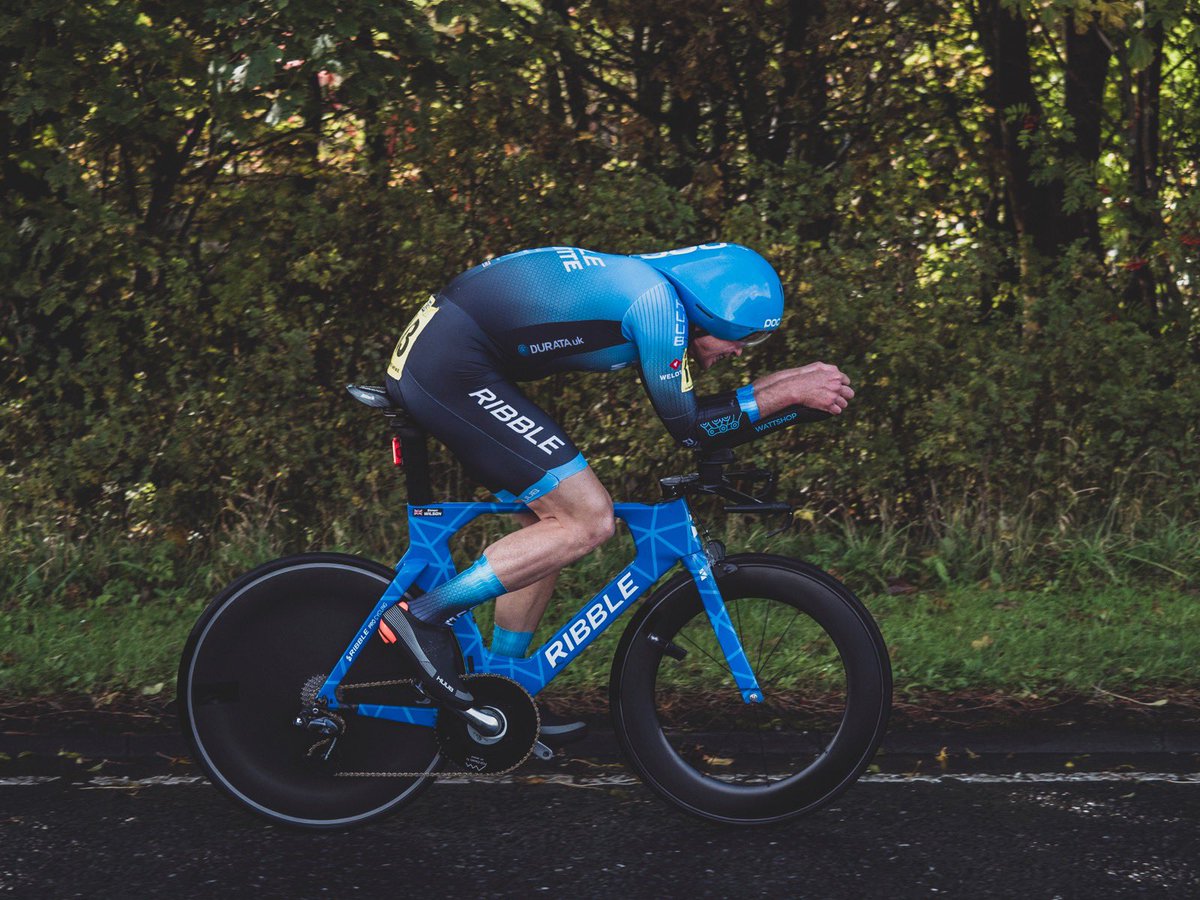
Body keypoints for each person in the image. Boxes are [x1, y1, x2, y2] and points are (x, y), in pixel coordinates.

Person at [376, 242, 854, 739]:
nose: (739, 352)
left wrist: (786, 391)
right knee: (588, 519)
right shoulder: (655, 304)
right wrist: (783, 393)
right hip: (450, 367)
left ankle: (498, 690)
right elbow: (691, 429)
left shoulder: (654, 290)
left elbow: (706, 418)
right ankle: (424, 616)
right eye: (743, 339)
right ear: (708, 312)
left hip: (455, 356)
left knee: (548, 529)